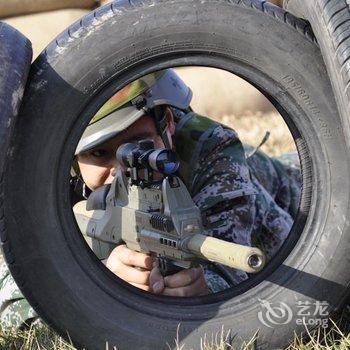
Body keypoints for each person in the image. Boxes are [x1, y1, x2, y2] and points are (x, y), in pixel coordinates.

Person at [0, 69, 301, 329]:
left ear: (167, 124)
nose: (122, 171)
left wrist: (205, 289)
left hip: (286, 188)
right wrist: (94, 281)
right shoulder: (50, 179)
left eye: (139, 147)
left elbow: (243, 274)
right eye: (99, 153)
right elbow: (10, 298)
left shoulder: (211, 151)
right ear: (71, 157)